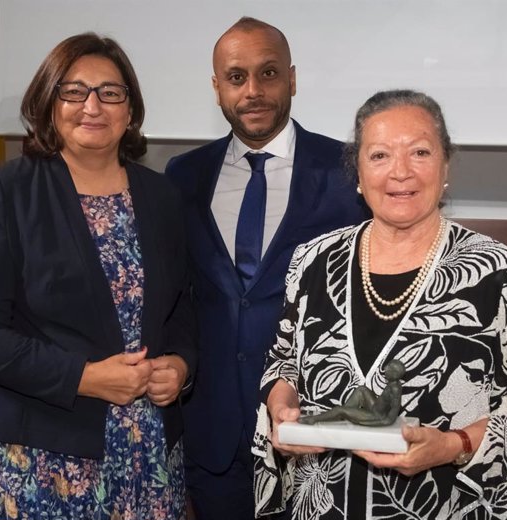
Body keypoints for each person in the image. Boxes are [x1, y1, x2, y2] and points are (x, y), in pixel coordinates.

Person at [254, 89, 507, 519]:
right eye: (379, 156)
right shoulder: (312, 261)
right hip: (321, 503)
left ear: (445, 166)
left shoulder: (498, 270)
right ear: (358, 173)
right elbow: (283, 364)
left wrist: (454, 445)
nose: (400, 172)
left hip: (443, 504)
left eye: (419, 152)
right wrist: (281, 412)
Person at [0, 33, 196, 519]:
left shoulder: (162, 196)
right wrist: (83, 378)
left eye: (110, 92)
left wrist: (182, 366)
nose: (92, 105)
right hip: (43, 460)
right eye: (74, 90)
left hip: (149, 455)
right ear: (48, 102)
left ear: (130, 110)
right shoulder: (8, 190)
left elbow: (182, 307)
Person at [165, 17, 370, 519]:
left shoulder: (350, 170)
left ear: (293, 79)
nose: (253, 90)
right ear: (217, 88)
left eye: (269, 73)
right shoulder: (182, 175)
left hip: (315, 435)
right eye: (236, 77)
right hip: (211, 439)